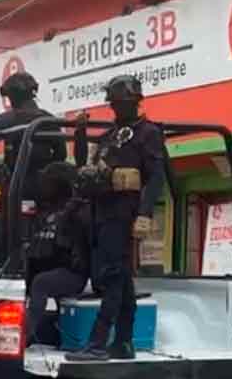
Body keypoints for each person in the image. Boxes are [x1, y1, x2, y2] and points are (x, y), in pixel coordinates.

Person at [66, 75, 167, 361]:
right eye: (116, 104)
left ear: (135, 102)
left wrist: (145, 213)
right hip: (102, 212)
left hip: (123, 214)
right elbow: (85, 165)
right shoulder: (111, 136)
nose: (118, 109)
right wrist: (81, 134)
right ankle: (123, 342)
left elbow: (156, 176)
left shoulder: (148, 133)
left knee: (113, 279)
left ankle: (98, 343)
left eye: (123, 103)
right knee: (121, 281)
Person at [24, 162, 90, 347]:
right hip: (51, 267)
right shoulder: (46, 210)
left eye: (47, 182)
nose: (43, 186)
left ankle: (26, 337)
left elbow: (72, 247)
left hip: (73, 272)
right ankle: (41, 331)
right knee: (28, 281)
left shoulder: (77, 210)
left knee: (40, 283)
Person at [0, 72, 67, 193]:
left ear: (13, 97)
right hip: (48, 190)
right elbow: (61, 154)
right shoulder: (49, 119)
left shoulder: (6, 119)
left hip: (16, 190)